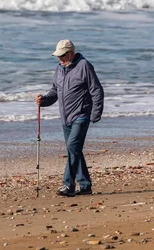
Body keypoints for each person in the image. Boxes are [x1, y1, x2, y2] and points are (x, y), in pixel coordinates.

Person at [36, 39, 104, 197]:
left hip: (81, 115)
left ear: (71, 53)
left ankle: (68, 185)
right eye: (58, 56)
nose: (60, 58)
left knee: (72, 148)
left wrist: (95, 114)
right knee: (75, 151)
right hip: (65, 118)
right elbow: (55, 91)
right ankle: (85, 186)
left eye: (62, 55)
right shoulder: (59, 68)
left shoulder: (84, 66)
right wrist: (43, 101)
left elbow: (97, 91)